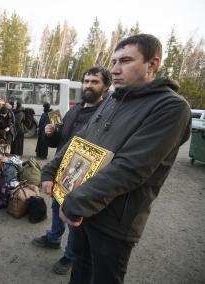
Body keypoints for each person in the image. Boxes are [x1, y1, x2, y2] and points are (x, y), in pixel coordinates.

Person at [41, 34, 191, 283]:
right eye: (114, 61)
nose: (115, 70)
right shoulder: (113, 99)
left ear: (152, 64)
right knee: (80, 269)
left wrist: (75, 202)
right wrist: (51, 170)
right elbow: (79, 140)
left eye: (125, 61)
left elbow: (130, 168)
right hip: (84, 209)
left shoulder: (171, 107)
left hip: (114, 222)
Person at [32, 66, 111, 276]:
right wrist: (50, 133)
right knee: (57, 206)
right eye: (86, 81)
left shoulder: (105, 114)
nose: (89, 86)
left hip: (83, 175)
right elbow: (61, 141)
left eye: (95, 82)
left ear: (105, 86)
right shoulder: (74, 109)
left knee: (74, 216)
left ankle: (71, 256)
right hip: (61, 169)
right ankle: (53, 238)